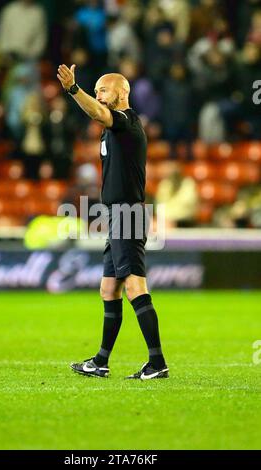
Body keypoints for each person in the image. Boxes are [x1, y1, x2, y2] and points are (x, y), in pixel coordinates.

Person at [57, 63, 169, 380]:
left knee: (134, 286)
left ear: (121, 92)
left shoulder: (126, 121)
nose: (98, 95)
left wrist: (73, 90)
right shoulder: (112, 129)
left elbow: (98, 114)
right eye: (95, 91)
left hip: (128, 214)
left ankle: (157, 363)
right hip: (116, 215)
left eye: (102, 90)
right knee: (109, 288)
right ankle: (101, 362)